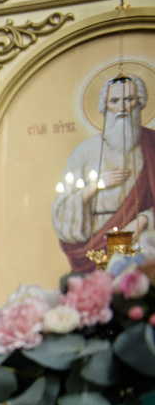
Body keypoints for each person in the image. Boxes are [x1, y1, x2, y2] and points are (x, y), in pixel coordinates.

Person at [52, 73, 154, 272]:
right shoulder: (84, 152)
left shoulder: (152, 145)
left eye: (129, 99)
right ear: (105, 106)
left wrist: (145, 219)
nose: (123, 108)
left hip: (145, 249)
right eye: (115, 101)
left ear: (140, 103)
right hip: (94, 248)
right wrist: (93, 187)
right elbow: (61, 212)